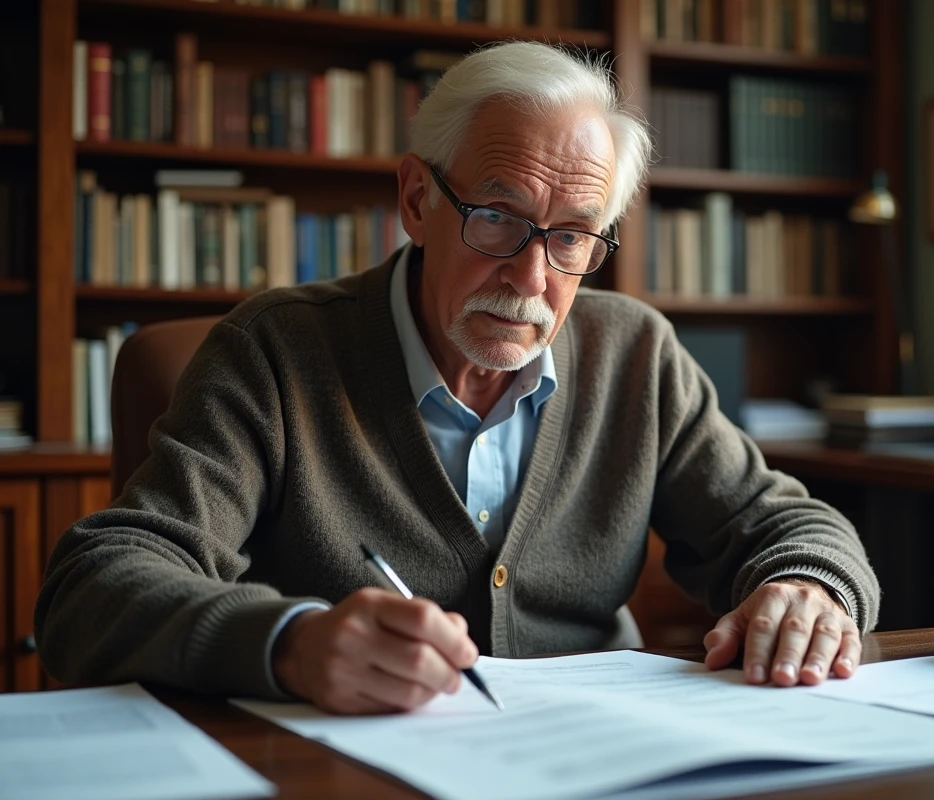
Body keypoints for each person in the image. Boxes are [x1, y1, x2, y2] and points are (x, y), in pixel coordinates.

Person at [36, 42, 880, 714]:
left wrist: (806, 588)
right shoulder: (276, 352)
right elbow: (94, 583)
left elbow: (786, 523)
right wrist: (291, 642)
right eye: (498, 218)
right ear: (415, 199)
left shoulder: (636, 355)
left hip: (596, 753)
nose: (530, 276)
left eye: (572, 236)